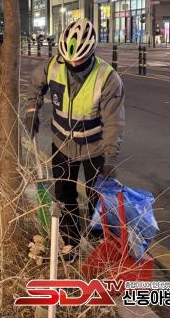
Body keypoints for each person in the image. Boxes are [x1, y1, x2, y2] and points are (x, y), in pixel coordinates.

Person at [24, 18, 125, 263]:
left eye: (79, 61)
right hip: (62, 144)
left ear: (90, 54)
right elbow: (35, 86)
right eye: (69, 61)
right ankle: (70, 244)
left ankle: (98, 247)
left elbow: (114, 121)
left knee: (97, 198)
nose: (73, 64)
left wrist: (110, 157)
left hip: (95, 148)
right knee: (64, 194)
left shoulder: (108, 78)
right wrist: (31, 111)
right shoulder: (54, 66)